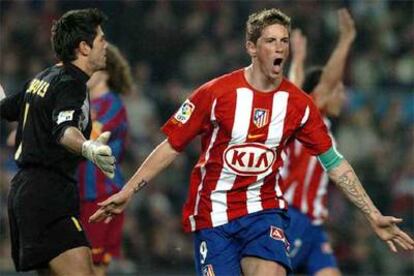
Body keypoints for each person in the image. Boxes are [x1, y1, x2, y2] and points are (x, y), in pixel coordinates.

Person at [90, 8, 414, 276]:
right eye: (270, 41)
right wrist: (128, 191)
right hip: (214, 216)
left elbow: (335, 162)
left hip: (264, 211)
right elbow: (171, 146)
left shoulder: (297, 104)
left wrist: (372, 214)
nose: (279, 48)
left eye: (284, 41)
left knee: (271, 271)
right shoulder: (214, 94)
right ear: (251, 46)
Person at [0, 8, 115, 276]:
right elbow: (64, 130)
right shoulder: (71, 84)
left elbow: (5, 108)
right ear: (84, 47)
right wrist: (89, 148)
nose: (106, 46)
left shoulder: (44, 77)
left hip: (25, 193)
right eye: (101, 40)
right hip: (48, 195)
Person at [281, 9, 355, 276]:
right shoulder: (310, 119)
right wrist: (346, 39)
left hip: (313, 224)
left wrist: (299, 59)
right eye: (339, 89)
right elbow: (315, 87)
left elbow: (295, 87)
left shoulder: (321, 126)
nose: (342, 95)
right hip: (293, 216)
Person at [77, 43, 133, 276]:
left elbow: (93, 136)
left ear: (105, 72)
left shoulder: (111, 104)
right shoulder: (83, 103)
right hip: (79, 193)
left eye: (91, 68)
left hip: (101, 196)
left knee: (94, 265)